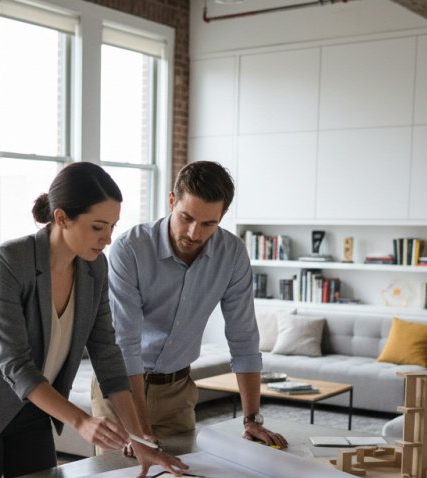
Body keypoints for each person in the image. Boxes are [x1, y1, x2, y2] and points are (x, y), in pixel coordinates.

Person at [0, 162, 188, 478]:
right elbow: (15, 365)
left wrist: (138, 438)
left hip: (34, 408)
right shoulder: (7, 261)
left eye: (112, 227)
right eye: (97, 227)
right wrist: (81, 421)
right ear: (62, 218)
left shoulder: (95, 269)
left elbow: (106, 352)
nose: (108, 239)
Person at [91, 160, 287, 449]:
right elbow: (126, 346)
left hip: (178, 393)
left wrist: (252, 419)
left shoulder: (232, 254)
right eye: (186, 218)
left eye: (209, 223)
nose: (195, 234)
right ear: (172, 201)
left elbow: (244, 338)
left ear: (224, 215)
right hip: (120, 390)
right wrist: (141, 433)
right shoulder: (130, 249)